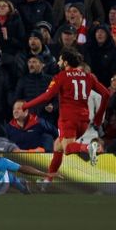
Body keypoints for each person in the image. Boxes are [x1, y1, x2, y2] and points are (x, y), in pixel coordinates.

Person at [23, 49, 109, 189]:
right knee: (57, 146)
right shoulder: (89, 76)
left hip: (68, 119)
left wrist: (27, 105)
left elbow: (47, 97)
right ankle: (47, 181)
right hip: (83, 121)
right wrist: (98, 117)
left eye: (60, 60)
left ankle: (89, 147)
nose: (58, 62)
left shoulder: (61, 76)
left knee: (67, 148)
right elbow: (106, 94)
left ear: (66, 62)